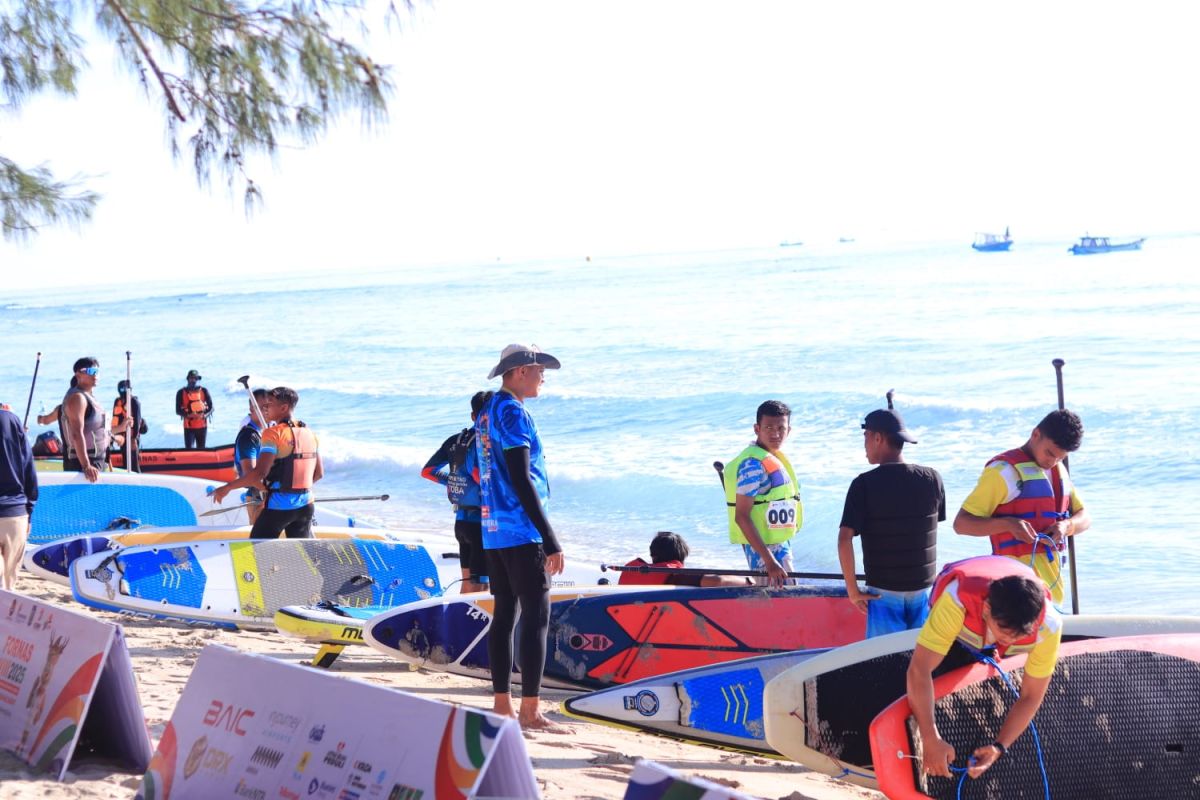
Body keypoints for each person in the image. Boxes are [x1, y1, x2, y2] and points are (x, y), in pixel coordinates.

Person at [906, 555, 1062, 780]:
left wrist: (999, 746)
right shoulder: (956, 600)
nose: (1010, 640)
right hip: (961, 632)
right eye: (1005, 631)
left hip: (995, 625)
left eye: (1020, 635)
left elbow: (1031, 695)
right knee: (930, 701)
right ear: (987, 609)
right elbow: (919, 670)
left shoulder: (1049, 626)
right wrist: (930, 738)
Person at [476, 344, 565, 731]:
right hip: (520, 529)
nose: (543, 375)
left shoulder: (488, 410)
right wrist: (550, 538)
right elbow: (520, 476)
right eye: (538, 368)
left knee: (505, 614)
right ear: (519, 372)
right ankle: (530, 710)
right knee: (536, 618)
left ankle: (503, 704)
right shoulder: (512, 412)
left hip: (492, 528)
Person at [953, 409, 1091, 605]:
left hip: (1053, 591)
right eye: (1049, 453)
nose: (1052, 462)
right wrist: (1009, 524)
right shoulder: (1002, 472)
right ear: (1035, 434)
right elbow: (962, 524)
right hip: (1013, 592)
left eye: (1060, 458)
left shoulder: (1059, 471)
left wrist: (1066, 526)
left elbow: (1084, 517)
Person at [837, 405, 945, 637]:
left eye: (865, 438)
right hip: (924, 590)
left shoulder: (863, 485)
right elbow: (931, 528)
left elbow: (844, 540)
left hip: (883, 592)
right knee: (920, 660)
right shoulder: (933, 478)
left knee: (885, 663)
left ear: (878, 438)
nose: (864, 446)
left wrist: (853, 590)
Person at [211, 387, 322, 539]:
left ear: (283, 408)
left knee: (258, 550)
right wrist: (295, 491)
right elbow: (318, 473)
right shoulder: (309, 433)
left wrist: (227, 487)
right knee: (301, 553)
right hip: (306, 505)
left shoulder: (273, 433)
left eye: (269, 404)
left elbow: (259, 473)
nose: (265, 408)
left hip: (280, 507)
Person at [723, 399, 803, 587]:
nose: (775, 434)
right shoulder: (752, 464)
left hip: (779, 545)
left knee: (789, 602)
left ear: (789, 430)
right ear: (757, 429)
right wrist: (769, 561)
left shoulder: (773, 458)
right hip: (764, 553)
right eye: (768, 428)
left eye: (781, 428)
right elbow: (741, 516)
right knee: (779, 603)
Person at [421, 391, 489, 594]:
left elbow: (427, 472)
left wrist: (451, 481)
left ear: (472, 415)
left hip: (461, 523)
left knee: (467, 585)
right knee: (482, 587)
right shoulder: (484, 443)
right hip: (480, 526)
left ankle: (458, 624)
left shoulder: (455, 440)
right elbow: (479, 477)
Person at [62, 357, 121, 482]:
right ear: (78, 374)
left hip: (98, 460)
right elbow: (76, 433)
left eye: (97, 371)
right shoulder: (77, 398)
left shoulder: (90, 397)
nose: (95, 375)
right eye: (90, 371)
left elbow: (99, 429)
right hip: (84, 463)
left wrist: (116, 435)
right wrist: (86, 465)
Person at [619, 531, 750, 587]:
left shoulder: (631, 570)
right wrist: (748, 581)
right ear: (681, 557)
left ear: (653, 556)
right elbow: (718, 581)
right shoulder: (675, 577)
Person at [0, 405, 38, 590]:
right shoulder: (13, 421)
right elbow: (29, 469)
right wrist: (29, 510)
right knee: (8, 586)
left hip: (15, 510)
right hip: (15, 513)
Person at [233, 388, 270, 525]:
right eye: (262, 407)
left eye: (269, 406)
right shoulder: (249, 436)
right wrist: (269, 493)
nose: (266, 411)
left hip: (272, 495)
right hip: (258, 495)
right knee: (261, 541)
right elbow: (250, 475)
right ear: (251, 407)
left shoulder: (270, 431)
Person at [111, 379, 149, 471]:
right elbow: (115, 418)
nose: (122, 391)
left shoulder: (134, 402)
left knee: (134, 465)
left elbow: (137, 421)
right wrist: (113, 437)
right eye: (121, 389)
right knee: (125, 463)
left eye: (125, 389)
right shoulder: (117, 401)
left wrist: (134, 439)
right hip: (122, 437)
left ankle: (138, 482)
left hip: (132, 437)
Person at [176, 369, 213, 449]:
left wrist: (204, 415)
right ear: (188, 379)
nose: (193, 380)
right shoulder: (181, 392)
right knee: (189, 450)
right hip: (189, 427)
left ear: (197, 380)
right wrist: (188, 415)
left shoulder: (204, 391)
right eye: (191, 378)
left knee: (201, 450)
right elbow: (177, 410)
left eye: (195, 378)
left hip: (202, 426)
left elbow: (211, 407)